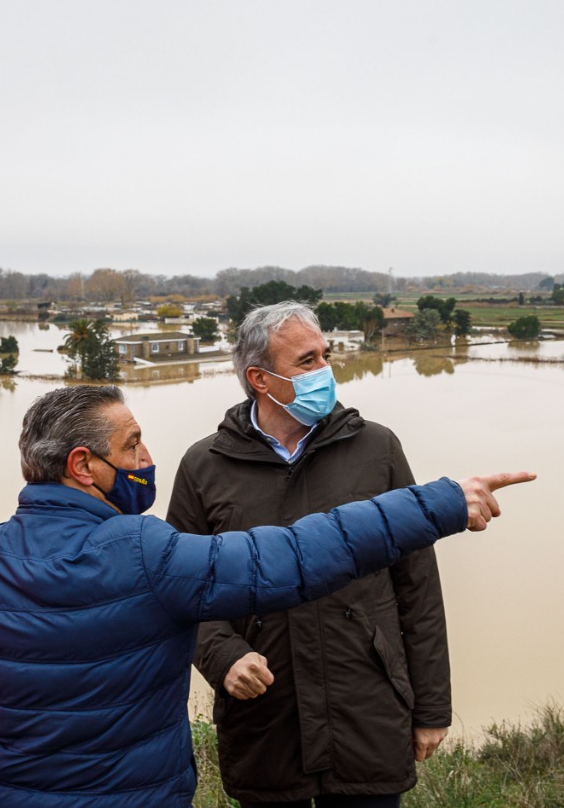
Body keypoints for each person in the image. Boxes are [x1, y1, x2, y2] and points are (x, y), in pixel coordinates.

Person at [0, 385, 533, 808]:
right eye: (133, 444)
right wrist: (441, 501)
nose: (147, 458)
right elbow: (293, 554)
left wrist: (41, 713)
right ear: (83, 465)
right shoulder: (144, 551)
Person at [167, 300, 448, 807]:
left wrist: (431, 708)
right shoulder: (204, 466)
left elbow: (418, 586)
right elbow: (181, 590)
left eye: (325, 354)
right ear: (260, 378)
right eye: (307, 360)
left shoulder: (376, 449)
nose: (325, 370)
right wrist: (223, 656)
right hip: (265, 722)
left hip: (367, 714)